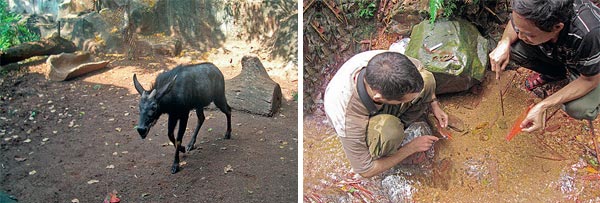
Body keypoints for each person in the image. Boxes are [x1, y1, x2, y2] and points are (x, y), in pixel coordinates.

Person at [323, 50, 448, 178]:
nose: (413, 100)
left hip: (378, 99)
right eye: (407, 100)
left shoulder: (389, 62)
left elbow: (420, 69)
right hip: (361, 119)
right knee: (389, 131)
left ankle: (402, 125)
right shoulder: (348, 118)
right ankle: (386, 148)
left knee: (427, 80)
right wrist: (410, 148)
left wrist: (434, 104)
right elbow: (365, 170)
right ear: (379, 99)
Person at [489, 0, 600, 132]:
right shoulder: (530, 9)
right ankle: (556, 74)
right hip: (562, 52)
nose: (520, 35)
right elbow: (515, 24)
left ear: (557, 27)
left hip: (592, 64)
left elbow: (589, 80)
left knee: (578, 108)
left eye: (529, 34)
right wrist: (504, 41)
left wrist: (543, 105)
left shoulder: (589, 34)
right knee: (513, 48)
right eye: (519, 30)